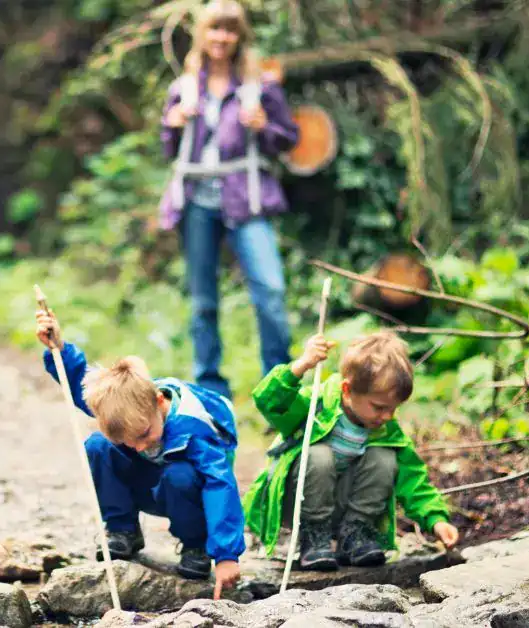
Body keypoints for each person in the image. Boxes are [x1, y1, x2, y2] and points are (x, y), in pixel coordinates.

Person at [35, 307, 245, 593]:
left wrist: (226, 555)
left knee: (180, 474)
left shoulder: (193, 429)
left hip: (184, 494)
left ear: (160, 402)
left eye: (145, 434)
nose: (139, 446)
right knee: (97, 445)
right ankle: (123, 529)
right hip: (146, 484)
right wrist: (58, 347)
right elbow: (82, 383)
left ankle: (195, 546)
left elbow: (220, 486)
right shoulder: (127, 407)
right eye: (128, 441)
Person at [158, 0, 300, 401]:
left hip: (246, 198)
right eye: (215, 29)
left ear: (240, 37)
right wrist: (172, 124)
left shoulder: (260, 87)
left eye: (230, 30)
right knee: (203, 301)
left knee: (270, 291)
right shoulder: (182, 87)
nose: (222, 37)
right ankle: (210, 390)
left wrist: (265, 125)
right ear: (202, 35)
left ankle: (278, 387)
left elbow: (287, 139)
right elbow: (170, 149)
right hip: (196, 202)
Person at [242, 331, 460, 571]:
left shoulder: (385, 430)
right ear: (347, 390)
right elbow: (268, 400)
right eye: (378, 407)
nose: (387, 416)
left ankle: (355, 534)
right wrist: (302, 364)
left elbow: (413, 480)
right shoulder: (317, 405)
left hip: (344, 505)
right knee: (319, 456)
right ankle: (314, 537)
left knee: (385, 458)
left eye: (393, 409)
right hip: (301, 502)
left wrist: (436, 520)